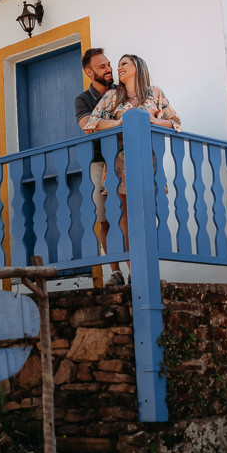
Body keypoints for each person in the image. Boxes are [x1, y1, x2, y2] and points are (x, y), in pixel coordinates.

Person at [83, 54, 181, 284]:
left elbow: (176, 122)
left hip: (149, 163)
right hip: (120, 165)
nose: (119, 68)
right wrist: (117, 123)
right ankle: (136, 271)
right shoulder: (112, 96)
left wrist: (155, 121)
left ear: (137, 66)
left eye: (124, 64)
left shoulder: (154, 93)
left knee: (145, 217)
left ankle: (145, 268)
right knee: (125, 217)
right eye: (118, 66)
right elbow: (92, 124)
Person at [74, 48, 117, 281]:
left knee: (128, 216)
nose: (109, 69)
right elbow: (87, 125)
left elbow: (96, 123)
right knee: (104, 219)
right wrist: (122, 122)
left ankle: (136, 271)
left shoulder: (121, 92)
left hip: (123, 160)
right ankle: (116, 271)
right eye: (102, 67)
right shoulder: (82, 99)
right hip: (98, 163)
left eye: (109, 64)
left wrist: (103, 123)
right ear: (88, 72)